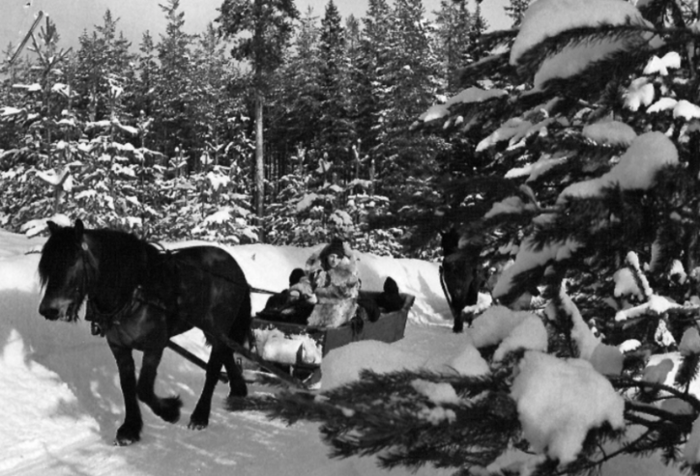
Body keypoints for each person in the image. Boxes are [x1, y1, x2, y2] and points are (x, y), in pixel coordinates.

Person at [292, 237, 360, 328]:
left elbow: (349, 296)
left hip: (338, 310)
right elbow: (307, 283)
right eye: (332, 256)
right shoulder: (318, 269)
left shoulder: (347, 274)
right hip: (315, 304)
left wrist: (321, 298)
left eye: (338, 257)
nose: (334, 260)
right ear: (327, 255)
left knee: (327, 313)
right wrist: (300, 291)